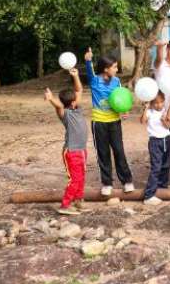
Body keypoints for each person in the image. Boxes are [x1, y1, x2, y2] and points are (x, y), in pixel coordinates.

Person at [84, 48, 134, 196]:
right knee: (103, 153)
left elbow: (121, 99)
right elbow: (89, 70)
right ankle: (107, 183)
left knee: (119, 151)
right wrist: (88, 60)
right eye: (115, 67)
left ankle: (127, 181)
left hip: (114, 122)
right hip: (99, 122)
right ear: (106, 69)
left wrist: (124, 111)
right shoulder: (94, 80)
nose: (117, 69)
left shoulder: (117, 81)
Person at [44, 68, 89, 215]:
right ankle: (65, 205)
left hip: (82, 150)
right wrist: (50, 99)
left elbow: (79, 89)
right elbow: (58, 106)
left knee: (81, 177)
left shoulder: (78, 109)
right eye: (76, 97)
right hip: (71, 151)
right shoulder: (65, 114)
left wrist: (75, 76)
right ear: (73, 101)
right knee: (74, 179)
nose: (79, 96)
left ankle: (78, 201)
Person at [140, 91, 170, 206]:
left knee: (166, 165)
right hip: (155, 141)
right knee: (156, 167)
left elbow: (168, 126)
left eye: (161, 102)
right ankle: (149, 195)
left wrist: (164, 121)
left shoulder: (165, 111)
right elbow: (142, 121)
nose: (159, 105)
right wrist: (146, 108)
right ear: (152, 103)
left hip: (166, 140)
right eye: (156, 103)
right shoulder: (149, 112)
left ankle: (162, 188)